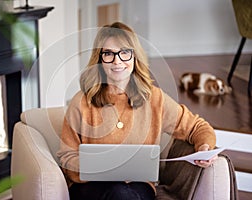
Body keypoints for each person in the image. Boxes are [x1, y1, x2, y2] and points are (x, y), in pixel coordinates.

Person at [57, 22, 217, 200]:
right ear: (99, 59)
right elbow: (66, 157)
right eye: (108, 54)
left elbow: (197, 127)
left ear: (135, 57)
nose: (117, 61)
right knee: (119, 193)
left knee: (125, 194)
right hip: (91, 186)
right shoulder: (81, 102)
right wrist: (100, 167)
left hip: (138, 186)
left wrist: (204, 146)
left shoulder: (155, 98)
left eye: (124, 52)